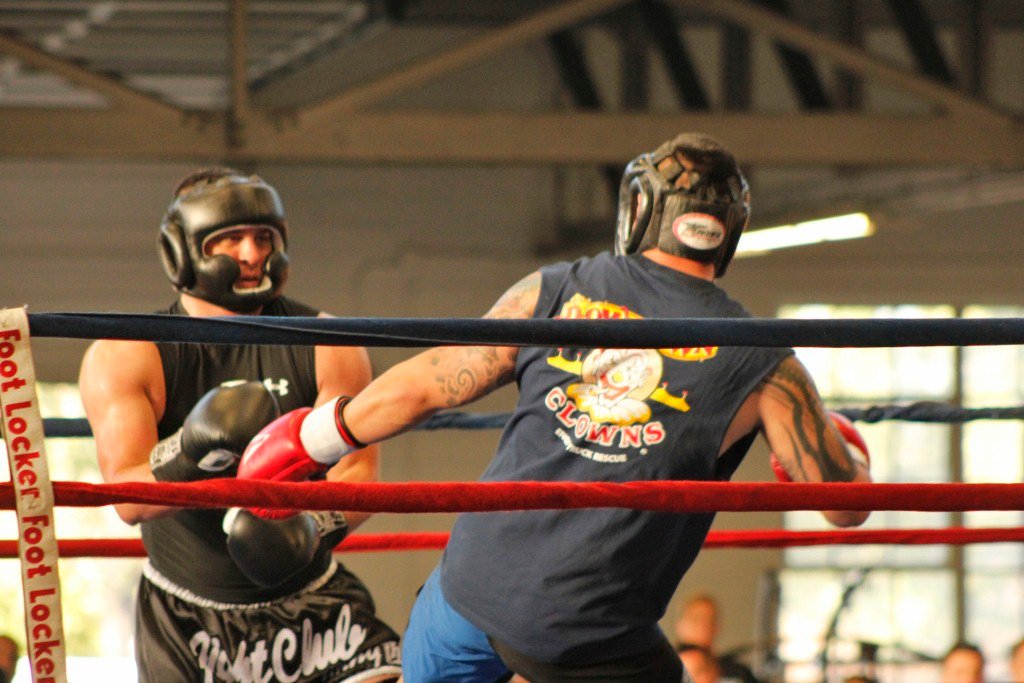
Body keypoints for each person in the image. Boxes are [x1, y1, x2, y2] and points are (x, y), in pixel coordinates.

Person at [238, 133, 873, 682]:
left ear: (640, 208)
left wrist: (313, 439)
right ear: (728, 231)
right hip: (591, 630)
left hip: (469, 592)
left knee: (440, 621)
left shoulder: (557, 287)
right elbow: (844, 506)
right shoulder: (764, 361)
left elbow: (430, 383)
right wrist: (847, 456)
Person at [78, 168, 401, 682]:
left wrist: (311, 528)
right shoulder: (129, 355)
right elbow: (127, 498)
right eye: (229, 239)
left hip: (315, 608)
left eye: (264, 237)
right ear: (182, 252)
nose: (252, 254)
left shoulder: (328, 341)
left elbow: (358, 474)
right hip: (188, 621)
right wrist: (191, 448)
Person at [675, 593, 761, 683]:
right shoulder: (671, 667)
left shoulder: (736, 671)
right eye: (696, 619)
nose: (704, 626)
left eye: (711, 620)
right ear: (681, 624)